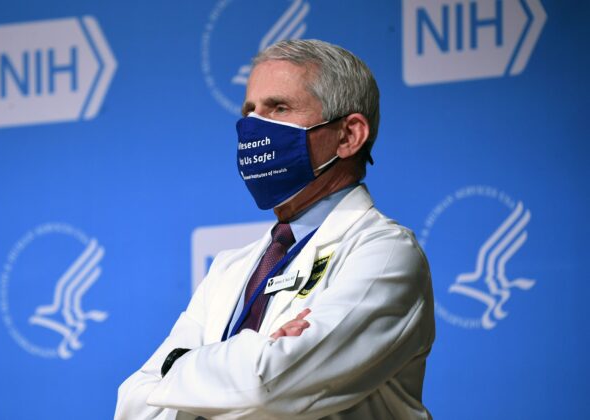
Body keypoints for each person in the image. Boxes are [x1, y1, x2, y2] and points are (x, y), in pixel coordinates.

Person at [114, 39, 435, 419]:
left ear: (349, 136)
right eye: (249, 112)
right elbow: (133, 403)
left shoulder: (384, 254)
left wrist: (178, 370)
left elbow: (266, 385)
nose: (253, 128)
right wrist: (259, 351)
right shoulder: (230, 268)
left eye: (278, 108)